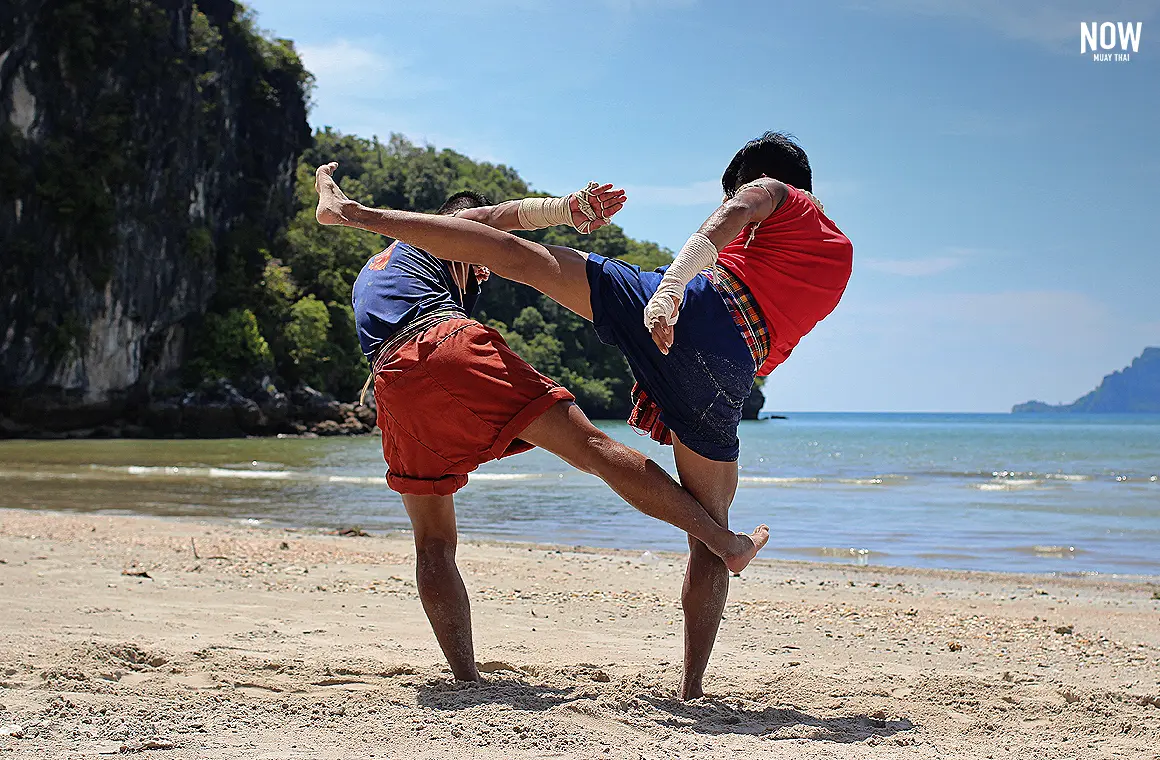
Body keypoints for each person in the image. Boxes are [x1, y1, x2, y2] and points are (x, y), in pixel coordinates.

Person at [315, 132, 852, 697]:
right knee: (692, 513)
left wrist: (663, 287)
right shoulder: (836, 259)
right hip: (731, 365)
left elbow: (732, 212)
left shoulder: (774, 191)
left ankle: (466, 681)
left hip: (404, 382)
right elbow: (495, 222)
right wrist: (575, 216)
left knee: (522, 262)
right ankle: (695, 678)